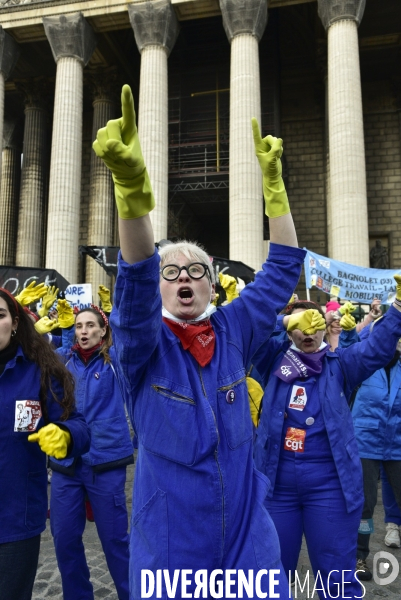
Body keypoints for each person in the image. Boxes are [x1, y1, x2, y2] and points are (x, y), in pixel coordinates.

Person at [92, 84, 306, 598]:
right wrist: (131, 191)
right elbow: (136, 284)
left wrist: (274, 190)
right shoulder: (143, 346)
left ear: (212, 284)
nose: (183, 277)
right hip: (170, 543)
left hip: (245, 542)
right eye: (172, 272)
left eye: (196, 270)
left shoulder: (235, 326)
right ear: (162, 288)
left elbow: (280, 272)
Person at [252, 297, 401, 599]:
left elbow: (377, 348)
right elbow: (245, 329)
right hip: (276, 487)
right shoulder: (272, 359)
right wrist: (280, 320)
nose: (307, 331)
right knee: (271, 576)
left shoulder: (341, 364)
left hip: (330, 486)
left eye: (314, 323)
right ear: (289, 330)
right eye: (298, 324)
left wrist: (397, 309)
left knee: (337, 580)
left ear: (324, 327)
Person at [0, 288, 90, 600]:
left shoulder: (39, 371)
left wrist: (65, 435)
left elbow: (78, 426)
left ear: (14, 323)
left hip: (15, 519)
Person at [49, 301, 133, 600]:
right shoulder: (61, 359)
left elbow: (132, 339)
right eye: (78, 325)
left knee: (115, 542)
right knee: (64, 540)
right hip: (67, 462)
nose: (83, 331)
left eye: (90, 325)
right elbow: (35, 356)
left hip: (105, 460)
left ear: (102, 331)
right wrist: (46, 329)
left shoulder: (116, 360)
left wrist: (119, 313)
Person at [338, 317, 401, 579]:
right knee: (364, 504)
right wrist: (351, 331)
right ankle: (358, 557)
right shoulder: (363, 365)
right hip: (364, 443)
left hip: (397, 444)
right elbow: (348, 350)